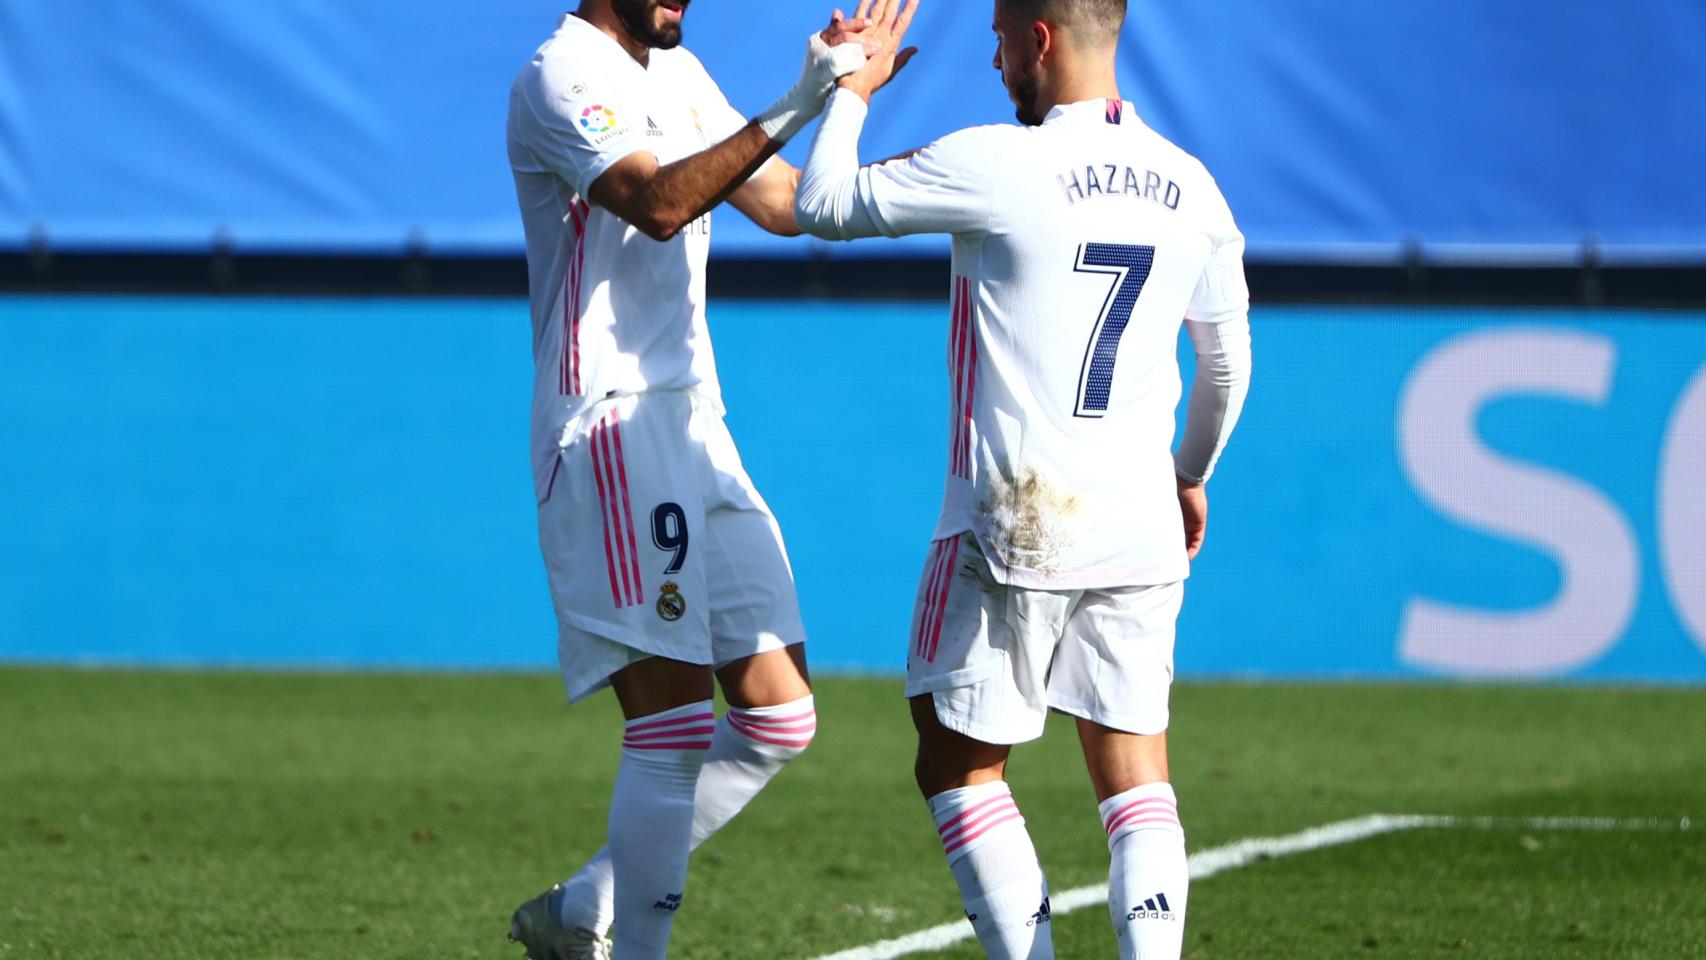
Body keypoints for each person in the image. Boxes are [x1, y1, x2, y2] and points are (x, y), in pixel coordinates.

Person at [793, 0, 1252, 957]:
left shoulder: (999, 160)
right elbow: (1224, 367)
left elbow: (822, 205)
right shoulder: (1193, 184)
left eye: (1000, 40)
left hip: (1014, 517)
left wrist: (853, 92)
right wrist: (1190, 474)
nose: (996, 64)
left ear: (1037, 38)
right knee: (1136, 777)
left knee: (958, 764)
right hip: (1137, 520)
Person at [502, 2, 875, 958]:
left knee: (779, 712)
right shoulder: (562, 74)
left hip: (696, 418)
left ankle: (589, 903)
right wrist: (799, 96)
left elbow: (786, 206)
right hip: (614, 422)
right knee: (670, 726)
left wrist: (847, 106)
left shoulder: (679, 71)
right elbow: (659, 205)